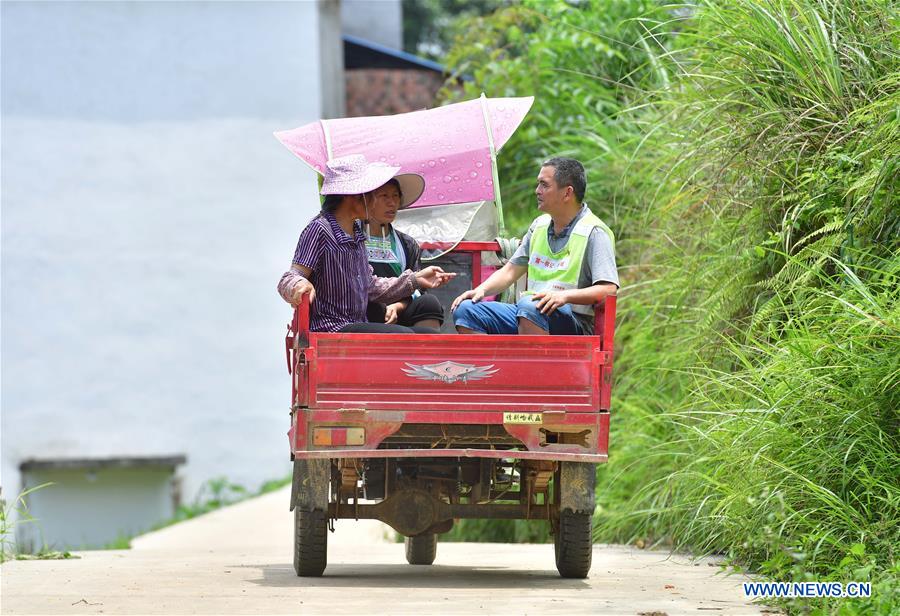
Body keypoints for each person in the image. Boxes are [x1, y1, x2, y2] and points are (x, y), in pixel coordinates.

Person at [277, 154, 454, 333]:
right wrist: (300, 285)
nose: (374, 201)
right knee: (404, 336)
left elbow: (370, 285)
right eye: (371, 194)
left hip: (359, 324)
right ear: (352, 196)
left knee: (429, 337)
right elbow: (289, 277)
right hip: (331, 328)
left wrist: (415, 279)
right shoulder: (319, 229)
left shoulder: (357, 235)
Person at [451, 157, 617, 335]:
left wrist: (564, 297)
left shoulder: (594, 233)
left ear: (567, 193)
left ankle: (536, 362)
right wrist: (480, 290)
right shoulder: (539, 226)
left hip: (573, 322)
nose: (537, 191)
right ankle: (496, 363)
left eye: (544, 185)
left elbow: (608, 288)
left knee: (529, 306)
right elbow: (510, 272)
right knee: (466, 310)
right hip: (530, 313)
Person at [365, 178, 445, 329]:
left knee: (429, 304)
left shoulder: (407, 244)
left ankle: (427, 351)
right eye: (384, 196)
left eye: (395, 196)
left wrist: (396, 307)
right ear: (367, 200)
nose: (392, 203)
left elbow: (418, 289)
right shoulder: (351, 238)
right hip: (366, 310)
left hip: (399, 310)